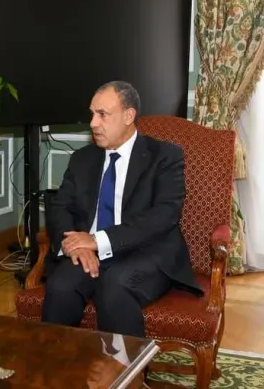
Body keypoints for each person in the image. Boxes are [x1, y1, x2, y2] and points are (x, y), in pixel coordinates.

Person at [41, 80, 202, 338]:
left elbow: (163, 216)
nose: (93, 123)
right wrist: (75, 245)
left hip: (146, 253)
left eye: (102, 114)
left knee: (114, 288)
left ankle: (125, 364)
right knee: (60, 286)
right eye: (92, 114)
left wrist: (97, 240)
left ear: (128, 116)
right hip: (88, 252)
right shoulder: (83, 159)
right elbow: (60, 207)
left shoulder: (164, 156)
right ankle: (58, 360)